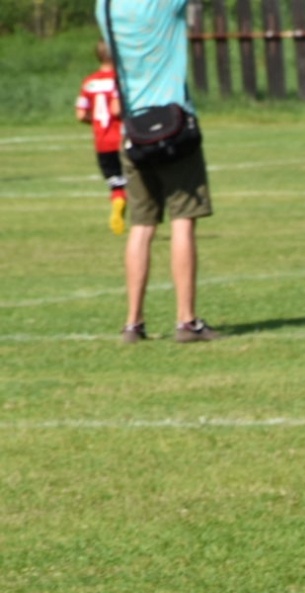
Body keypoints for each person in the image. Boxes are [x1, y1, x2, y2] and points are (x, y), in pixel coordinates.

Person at [95, 0, 218, 343]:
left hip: (133, 131)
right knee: (182, 221)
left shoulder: (104, 8)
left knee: (142, 226)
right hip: (174, 124)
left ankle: (133, 323)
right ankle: (186, 320)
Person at [77, 41, 128, 236]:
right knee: (136, 180)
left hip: (102, 142)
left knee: (115, 181)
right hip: (122, 138)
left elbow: (81, 115)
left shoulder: (89, 82)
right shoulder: (119, 79)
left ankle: (117, 200)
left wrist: (97, 121)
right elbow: (116, 109)